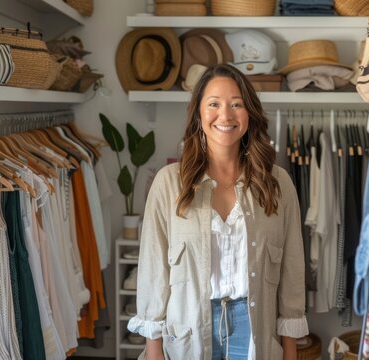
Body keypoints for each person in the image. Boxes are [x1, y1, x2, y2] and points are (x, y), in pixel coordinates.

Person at [127, 64, 308, 360]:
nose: (225, 115)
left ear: (249, 113)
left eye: (236, 104)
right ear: (199, 114)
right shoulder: (169, 182)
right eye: (214, 104)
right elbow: (153, 272)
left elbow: (292, 274)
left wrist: (290, 352)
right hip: (187, 332)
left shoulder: (277, 184)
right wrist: (154, 350)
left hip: (255, 332)